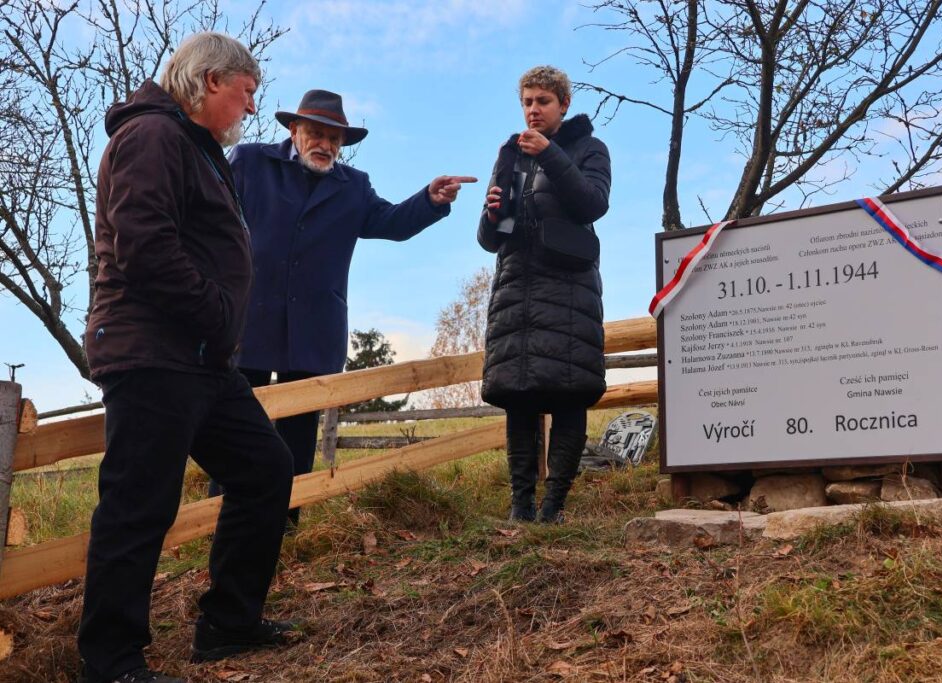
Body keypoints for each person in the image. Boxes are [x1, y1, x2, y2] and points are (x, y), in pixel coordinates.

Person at [79, 33, 298, 683]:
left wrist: (216, 331)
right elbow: (142, 246)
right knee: (139, 503)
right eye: (247, 92)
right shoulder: (153, 137)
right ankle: (111, 660)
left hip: (198, 359)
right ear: (210, 82)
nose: (251, 108)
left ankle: (228, 623)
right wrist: (214, 310)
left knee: (265, 468)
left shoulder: (196, 149)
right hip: (153, 352)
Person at [213, 89, 474, 524]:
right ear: (294, 130)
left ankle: (286, 523)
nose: (326, 145)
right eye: (316, 133)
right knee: (237, 427)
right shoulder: (249, 162)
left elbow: (390, 222)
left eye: (335, 139)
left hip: (312, 331)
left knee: (297, 435)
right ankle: (219, 521)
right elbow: (211, 217)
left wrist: (429, 200)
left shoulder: (354, 187)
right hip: (248, 323)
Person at [477, 66, 612, 523]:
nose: (533, 110)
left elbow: (593, 204)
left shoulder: (590, 148)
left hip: (569, 289)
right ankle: (520, 507)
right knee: (518, 395)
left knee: (569, 395)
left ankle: (553, 507)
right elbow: (488, 239)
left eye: (543, 102)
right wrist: (492, 214)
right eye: (527, 102)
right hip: (517, 288)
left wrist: (552, 154)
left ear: (563, 105)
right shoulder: (508, 154)